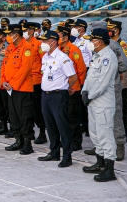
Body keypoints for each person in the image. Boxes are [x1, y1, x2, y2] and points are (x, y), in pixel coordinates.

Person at [84, 20, 127, 161]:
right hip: (97, 90)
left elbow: (125, 65)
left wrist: (113, 73)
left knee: (114, 119)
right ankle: (100, 150)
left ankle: (119, 146)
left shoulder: (113, 46)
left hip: (111, 88)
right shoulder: (98, 50)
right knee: (98, 123)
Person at [82, 28, 118, 182]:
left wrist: (89, 95)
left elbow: (103, 82)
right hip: (93, 102)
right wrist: (84, 91)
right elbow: (90, 77)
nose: (91, 43)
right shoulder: (97, 56)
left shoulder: (108, 57)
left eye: (92, 40)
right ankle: (100, 163)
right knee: (95, 134)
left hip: (103, 103)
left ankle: (110, 170)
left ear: (100, 41)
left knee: (105, 136)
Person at [36, 30, 77, 168]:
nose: (42, 43)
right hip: (45, 95)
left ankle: (67, 155)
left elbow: (73, 77)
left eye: (44, 41)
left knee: (62, 126)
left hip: (58, 95)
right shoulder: (45, 57)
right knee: (50, 125)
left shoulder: (62, 57)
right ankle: (54, 152)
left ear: (53, 42)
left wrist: (66, 87)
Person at [1, 24, 35, 155]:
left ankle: (27, 143)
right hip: (10, 88)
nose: (8, 37)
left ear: (16, 34)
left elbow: (25, 69)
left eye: (9, 34)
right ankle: (18, 139)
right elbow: (5, 65)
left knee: (24, 116)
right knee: (13, 115)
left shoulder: (27, 48)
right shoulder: (10, 48)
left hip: (22, 88)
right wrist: (4, 81)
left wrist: (13, 84)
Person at [56, 25, 87, 151]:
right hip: (62, 88)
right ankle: (66, 139)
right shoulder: (58, 49)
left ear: (65, 37)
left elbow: (81, 69)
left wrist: (76, 86)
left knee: (72, 116)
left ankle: (76, 142)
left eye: (58, 36)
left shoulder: (73, 50)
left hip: (72, 89)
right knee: (63, 116)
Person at [108, 19, 127, 142]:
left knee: (124, 106)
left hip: (123, 80)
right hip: (111, 81)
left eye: (110, 30)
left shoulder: (123, 45)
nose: (108, 32)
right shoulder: (107, 44)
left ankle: (125, 131)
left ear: (116, 30)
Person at [23, 22, 47, 144]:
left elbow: (44, 60)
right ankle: (30, 131)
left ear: (31, 31)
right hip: (26, 81)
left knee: (38, 109)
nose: (23, 33)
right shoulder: (23, 44)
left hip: (36, 80)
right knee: (28, 109)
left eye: (25, 30)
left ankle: (42, 132)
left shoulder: (38, 44)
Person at [70, 18, 93, 136]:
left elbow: (92, 58)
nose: (73, 29)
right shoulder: (75, 42)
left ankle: (88, 126)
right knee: (78, 101)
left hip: (86, 72)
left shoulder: (88, 41)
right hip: (76, 73)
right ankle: (82, 123)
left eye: (75, 27)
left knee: (85, 100)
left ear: (82, 28)